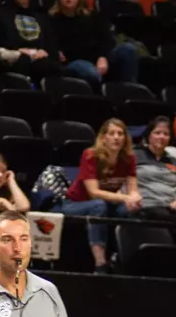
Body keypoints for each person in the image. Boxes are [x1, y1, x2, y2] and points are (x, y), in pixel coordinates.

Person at [57, 117, 142, 272]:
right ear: (103, 137)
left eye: (120, 134)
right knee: (99, 205)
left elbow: (133, 188)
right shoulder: (90, 155)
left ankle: (122, 258)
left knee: (128, 209)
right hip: (75, 204)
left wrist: (135, 198)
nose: (116, 137)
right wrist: (125, 197)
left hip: (105, 203)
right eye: (112, 133)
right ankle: (100, 262)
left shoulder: (129, 158)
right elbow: (94, 192)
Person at [48, 0, 138, 88]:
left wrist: (102, 57)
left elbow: (107, 39)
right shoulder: (52, 20)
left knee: (128, 49)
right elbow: (56, 46)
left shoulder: (92, 16)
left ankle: (131, 91)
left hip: (99, 59)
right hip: (75, 61)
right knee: (90, 73)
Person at [0, 0, 60, 81]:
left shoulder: (41, 16)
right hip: (17, 57)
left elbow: (51, 44)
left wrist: (45, 52)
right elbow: (1, 42)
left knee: (54, 68)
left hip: (40, 58)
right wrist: (18, 51)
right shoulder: (3, 14)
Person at [133, 116, 176, 218]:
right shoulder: (135, 155)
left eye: (166, 134)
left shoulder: (175, 162)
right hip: (147, 205)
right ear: (149, 135)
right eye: (157, 133)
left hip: (173, 208)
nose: (162, 137)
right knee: (160, 215)